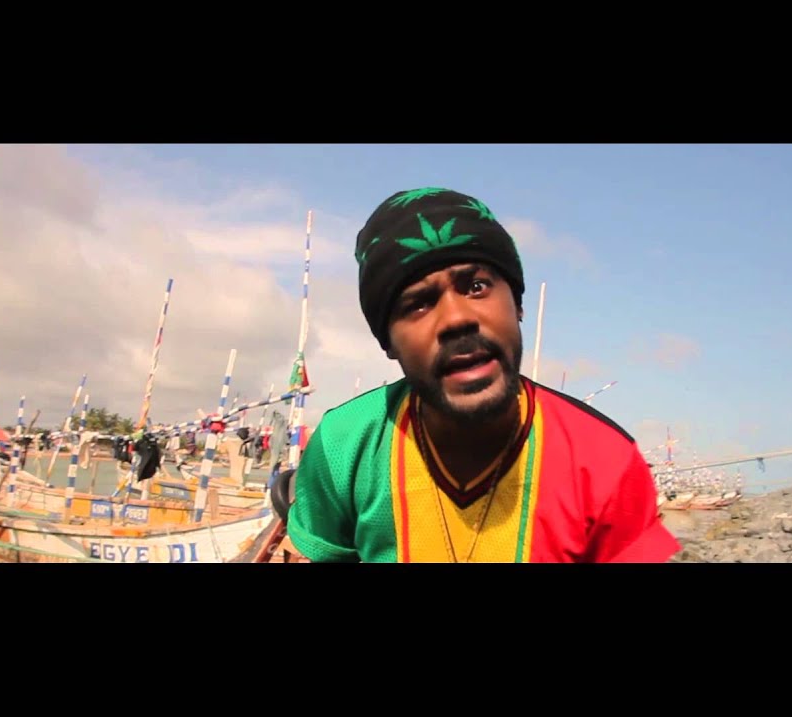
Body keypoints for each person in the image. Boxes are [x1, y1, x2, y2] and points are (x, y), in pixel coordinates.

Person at [286, 187, 680, 562]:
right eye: (418, 304)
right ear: (387, 341)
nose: (457, 318)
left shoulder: (607, 461)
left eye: (476, 287)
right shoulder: (345, 446)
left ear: (517, 303)